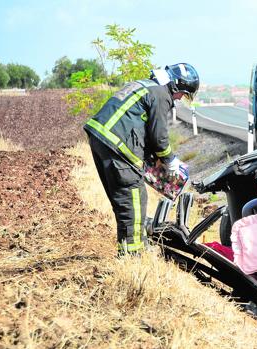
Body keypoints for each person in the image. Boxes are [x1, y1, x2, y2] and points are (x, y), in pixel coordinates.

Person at [83, 63, 199, 255]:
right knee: (133, 197)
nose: (180, 99)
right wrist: (170, 161)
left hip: (102, 141)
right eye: (183, 94)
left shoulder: (147, 85)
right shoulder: (162, 94)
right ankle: (133, 256)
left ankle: (136, 242)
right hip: (118, 146)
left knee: (123, 200)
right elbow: (158, 136)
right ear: (176, 85)